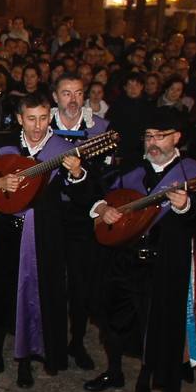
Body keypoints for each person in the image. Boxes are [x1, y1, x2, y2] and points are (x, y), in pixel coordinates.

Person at [85, 108, 196, 392]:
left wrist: (185, 207)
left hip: (161, 264)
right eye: (149, 137)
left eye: (161, 136)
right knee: (111, 318)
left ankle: (145, 380)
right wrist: (102, 209)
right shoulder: (130, 169)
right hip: (124, 258)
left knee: (152, 326)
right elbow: (101, 194)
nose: (153, 143)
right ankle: (114, 371)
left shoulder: (194, 174)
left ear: (177, 138)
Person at [0, 93, 91, 388]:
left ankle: (24, 361)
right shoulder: (3, 145)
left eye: (44, 118)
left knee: (28, 298)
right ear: (20, 119)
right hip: (0, 229)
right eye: (31, 119)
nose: (38, 126)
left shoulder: (63, 151)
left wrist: (77, 174)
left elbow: (82, 199)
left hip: (38, 237)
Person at [50, 74, 111, 369]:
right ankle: (50, 337)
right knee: (48, 277)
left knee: (80, 282)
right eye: (66, 93)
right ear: (55, 97)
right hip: (48, 213)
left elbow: (105, 179)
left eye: (77, 93)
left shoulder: (99, 130)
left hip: (82, 216)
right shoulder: (41, 126)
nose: (72, 100)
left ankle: (77, 341)